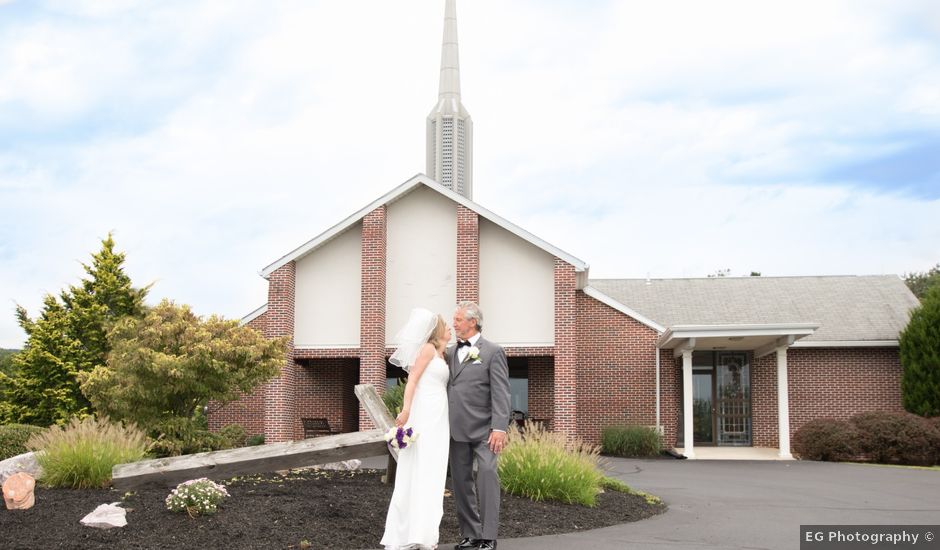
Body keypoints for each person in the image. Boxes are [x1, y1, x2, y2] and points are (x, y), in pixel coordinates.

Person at [381, 308, 453, 550]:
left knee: (433, 472)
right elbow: (412, 380)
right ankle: (411, 534)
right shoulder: (427, 350)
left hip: (439, 417)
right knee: (420, 470)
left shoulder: (443, 355)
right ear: (437, 331)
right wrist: (406, 410)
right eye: (446, 325)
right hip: (424, 415)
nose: (450, 328)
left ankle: (426, 533)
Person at [447, 301, 511, 550]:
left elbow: (501, 393)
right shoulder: (451, 352)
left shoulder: (493, 351)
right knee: (461, 482)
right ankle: (471, 534)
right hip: (456, 429)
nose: (454, 323)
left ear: (473, 322)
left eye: (458, 319)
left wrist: (499, 427)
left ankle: (488, 536)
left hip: (486, 430)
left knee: (486, 477)